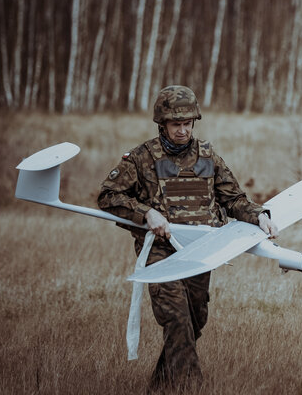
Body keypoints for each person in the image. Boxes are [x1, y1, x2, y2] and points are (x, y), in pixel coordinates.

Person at [97, 85, 278, 389]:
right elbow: (107, 196)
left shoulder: (208, 156)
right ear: (162, 124)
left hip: (200, 250)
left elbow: (233, 200)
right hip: (160, 253)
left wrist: (259, 216)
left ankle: (162, 387)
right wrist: (146, 214)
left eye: (187, 124)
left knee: (195, 320)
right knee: (176, 320)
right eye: (175, 124)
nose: (182, 131)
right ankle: (191, 387)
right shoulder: (141, 158)